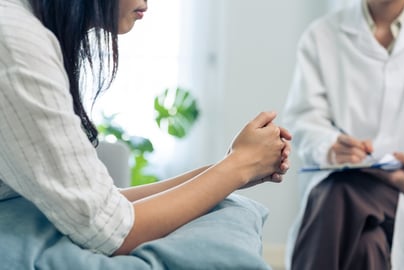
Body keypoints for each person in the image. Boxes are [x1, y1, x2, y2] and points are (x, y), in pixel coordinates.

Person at [0, 0, 292, 257]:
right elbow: (110, 230)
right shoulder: (15, 41)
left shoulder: (27, 31)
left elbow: (101, 204)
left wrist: (232, 167)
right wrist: (238, 166)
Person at [282, 0, 404, 269]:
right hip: (343, 174)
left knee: (339, 193)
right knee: (367, 245)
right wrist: (331, 147)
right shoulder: (321, 35)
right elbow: (304, 119)